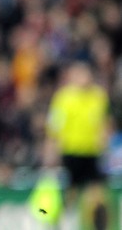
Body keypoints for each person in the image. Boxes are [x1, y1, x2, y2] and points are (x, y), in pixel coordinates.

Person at [43, 61, 112, 230]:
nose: (83, 79)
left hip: (92, 152)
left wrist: (105, 139)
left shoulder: (99, 96)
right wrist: (50, 151)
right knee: (70, 194)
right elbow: (54, 127)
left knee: (97, 195)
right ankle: (61, 223)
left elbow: (104, 122)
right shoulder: (63, 98)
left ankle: (98, 227)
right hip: (71, 152)